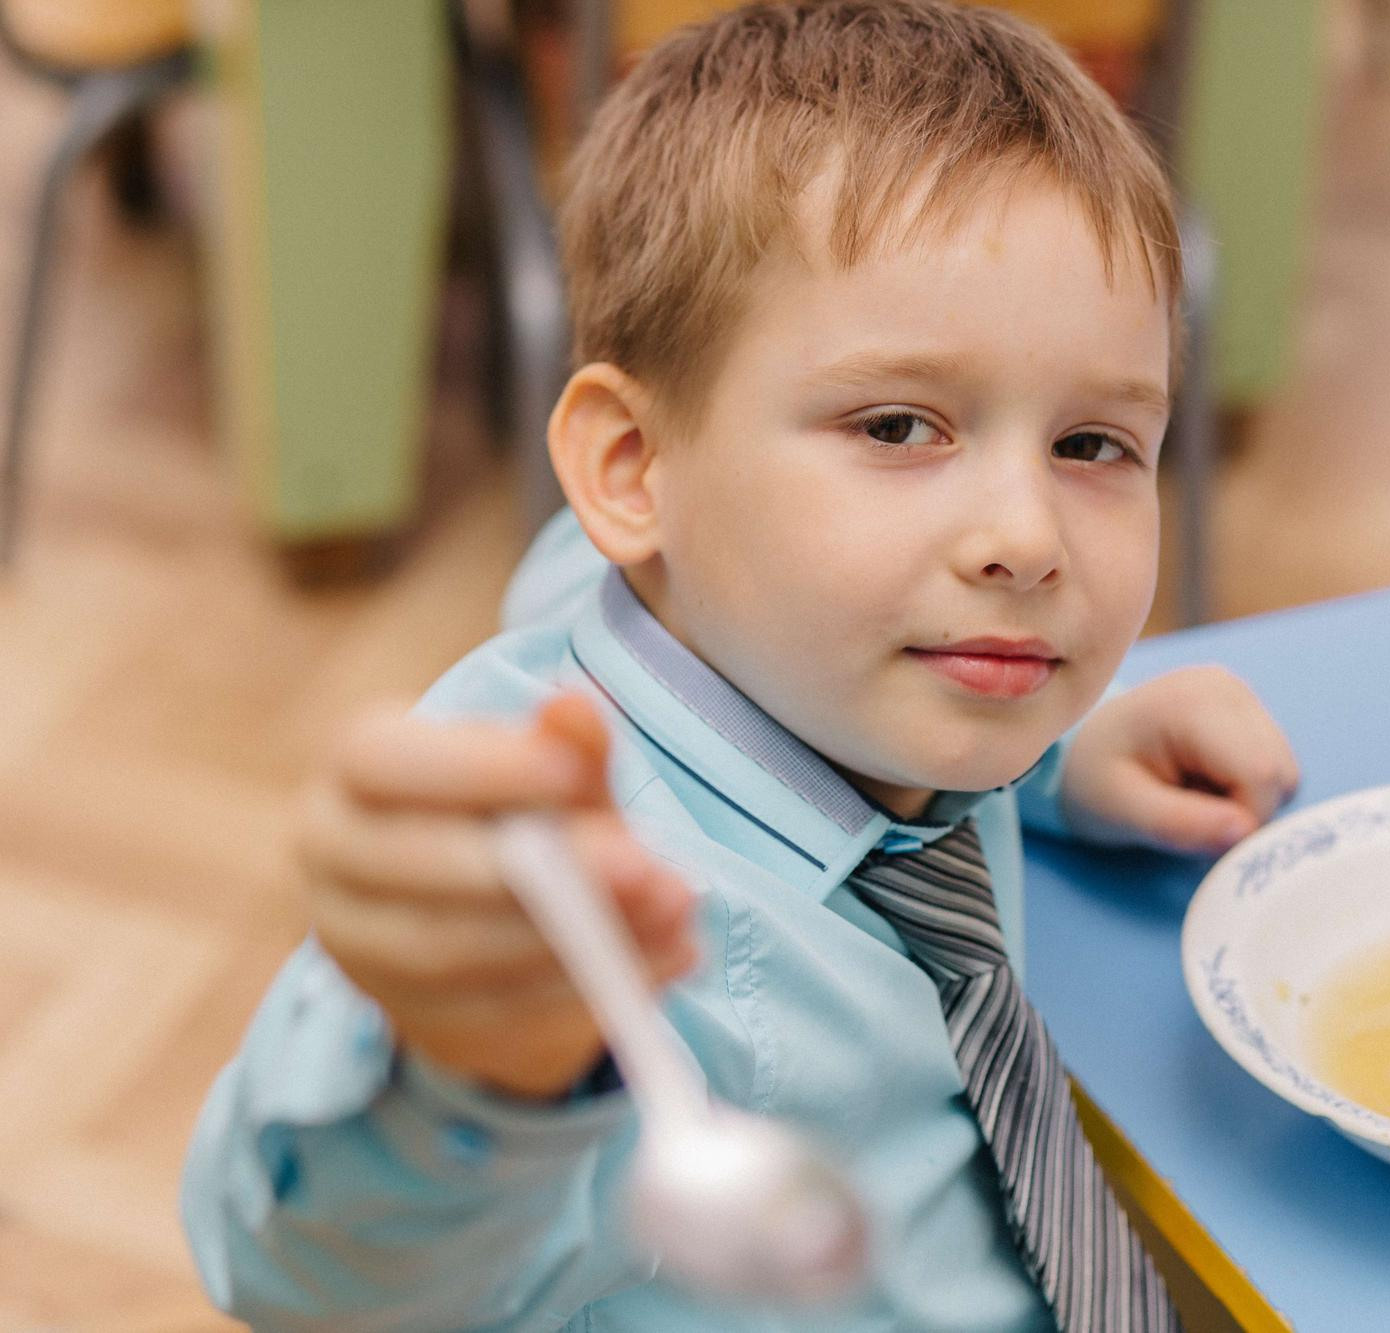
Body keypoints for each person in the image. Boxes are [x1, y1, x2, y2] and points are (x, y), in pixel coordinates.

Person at [181, 2, 1299, 1327]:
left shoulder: (773, 626)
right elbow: (311, 1275)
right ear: (634, 469)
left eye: (1095, 445)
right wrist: (474, 1068)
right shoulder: (594, 903)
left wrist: (1063, 752)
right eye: (899, 425)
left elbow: (566, 569)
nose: (1025, 538)